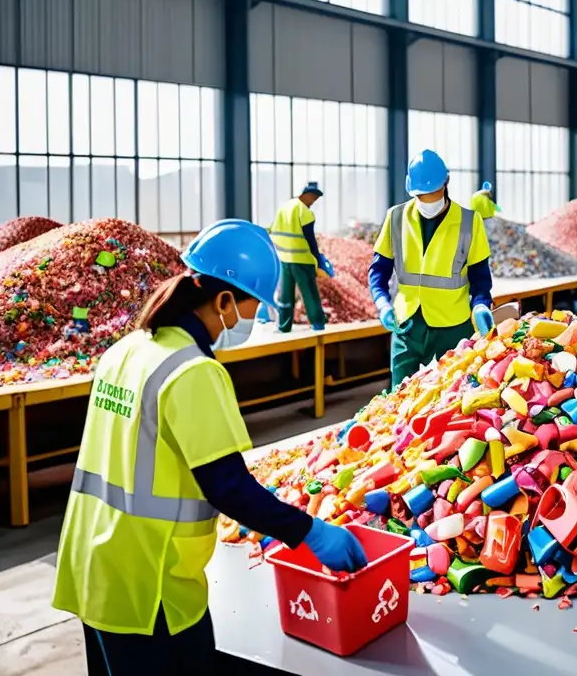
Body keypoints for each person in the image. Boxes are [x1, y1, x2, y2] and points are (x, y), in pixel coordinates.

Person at [53, 220, 368, 675]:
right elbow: (229, 488)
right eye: (251, 306)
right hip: (151, 585)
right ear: (223, 301)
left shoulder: (127, 350)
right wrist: (311, 533)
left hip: (93, 564)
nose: (252, 319)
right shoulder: (192, 371)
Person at [369, 150, 494, 387]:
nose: (427, 199)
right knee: (398, 396)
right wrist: (382, 303)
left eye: (433, 191)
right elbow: (378, 270)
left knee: (455, 394)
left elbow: (480, 277)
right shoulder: (395, 217)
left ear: (446, 183)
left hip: (453, 326)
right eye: (420, 194)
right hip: (407, 323)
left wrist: (480, 304)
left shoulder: (469, 221)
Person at [269, 182, 335, 333]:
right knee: (309, 293)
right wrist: (319, 261)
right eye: (312, 199)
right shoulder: (304, 212)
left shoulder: (284, 207)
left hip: (284, 258)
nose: (312, 203)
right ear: (306, 196)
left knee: (286, 295)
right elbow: (310, 240)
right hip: (301, 260)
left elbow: (273, 229)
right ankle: (318, 324)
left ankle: (284, 326)